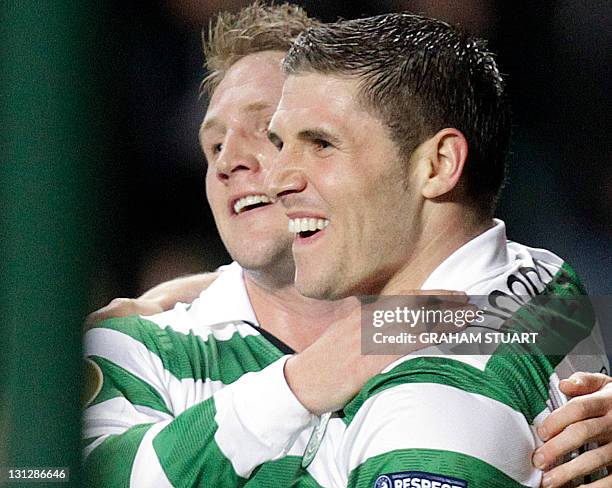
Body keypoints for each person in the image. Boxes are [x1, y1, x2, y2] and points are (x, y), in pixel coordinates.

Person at [84, 4, 612, 487]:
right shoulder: (134, 345)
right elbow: (49, 472)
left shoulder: (530, 298)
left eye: (277, 134)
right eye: (214, 144)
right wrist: (303, 382)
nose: (233, 162)